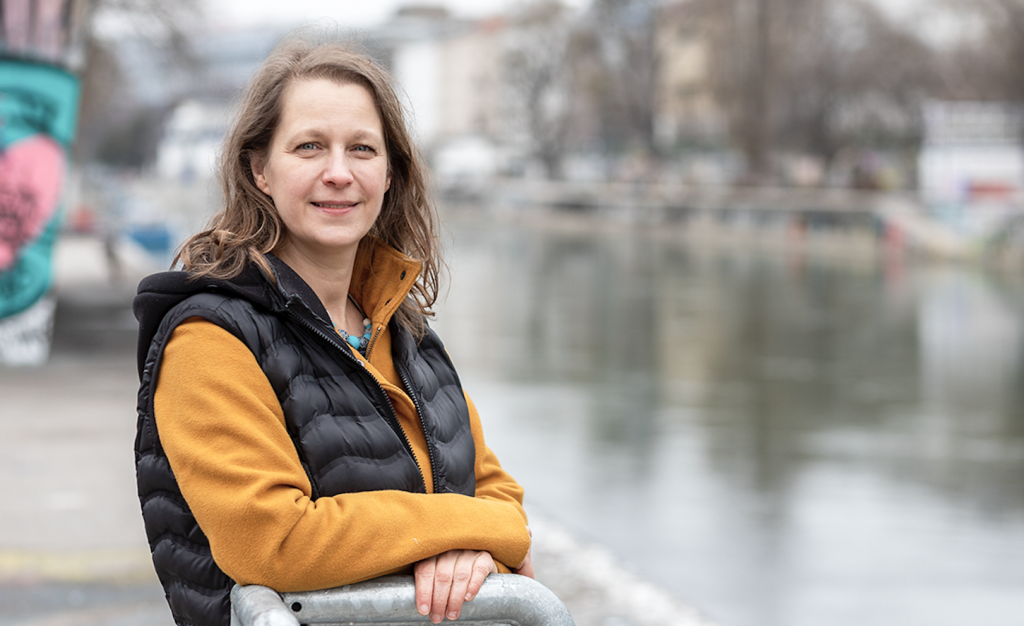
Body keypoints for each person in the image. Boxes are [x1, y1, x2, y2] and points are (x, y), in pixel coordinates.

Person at [133, 36, 533, 626]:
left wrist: (468, 548)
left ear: (391, 171)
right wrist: (468, 530)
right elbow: (273, 542)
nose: (339, 173)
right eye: (310, 146)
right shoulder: (209, 339)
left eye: (362, 149)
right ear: (260, 169)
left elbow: (499, 496)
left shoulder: (406, 334)